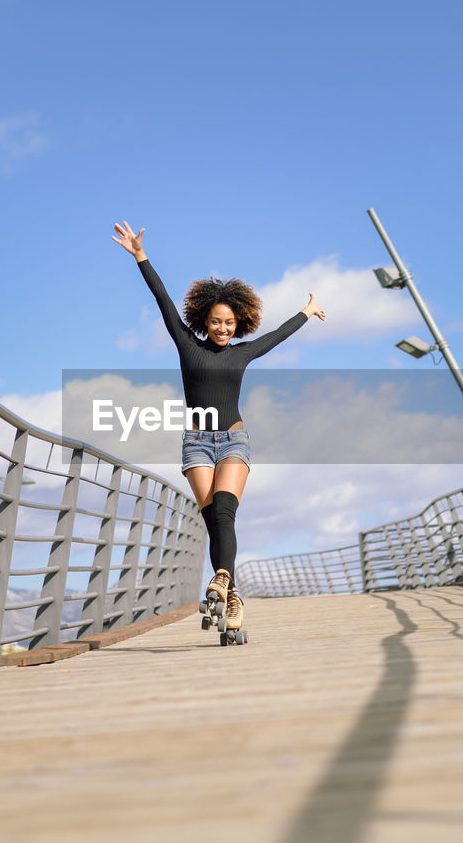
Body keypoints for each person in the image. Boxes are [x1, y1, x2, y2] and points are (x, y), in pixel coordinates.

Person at [111, 221, 324, 643]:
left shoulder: (244, 352)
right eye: (215, 322)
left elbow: (279, 335)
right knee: (214, 522)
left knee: (224, 512)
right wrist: (140, 256)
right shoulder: (187, 345)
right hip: (196, 444)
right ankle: (232, 596)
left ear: (238, 322)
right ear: (204, 321)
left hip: (233, 441)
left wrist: (307, 310)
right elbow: (163, 302)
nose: (223, 328)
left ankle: (222, 581)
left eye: (229, 322)